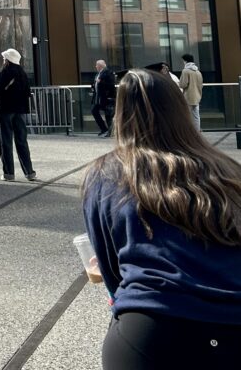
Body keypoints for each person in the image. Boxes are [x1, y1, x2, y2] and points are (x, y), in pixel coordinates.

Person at [82, 68, 241, 367]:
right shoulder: (227, 169)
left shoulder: (107, 174)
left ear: (121, 113)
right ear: (178, 108)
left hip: (151, 327)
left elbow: (110, 266)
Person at [0, 48, 36, 182]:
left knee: (5, 142)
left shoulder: (5, 72)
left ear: (8, 60)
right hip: (21, 111)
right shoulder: (22, 73)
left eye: (4, 58)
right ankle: (29, 172)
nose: (3, 60)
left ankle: (9, 174)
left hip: (7, 110)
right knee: (22, 141)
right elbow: (27, 92)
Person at [91, 59, 116, 138]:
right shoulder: (98, 74)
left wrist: (100, 82)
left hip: (107, 97)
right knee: (94, 111)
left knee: (108, 114)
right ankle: (104, 129)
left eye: (96, 65)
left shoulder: (108, 72)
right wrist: (93, 86)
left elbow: (111, 84)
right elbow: (96, 83)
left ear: (100, 65)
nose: (95, 66)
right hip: (99, 98)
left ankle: (110, 131)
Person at [178, 53, 204, 131]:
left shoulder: (185, 71)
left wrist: (180, 83)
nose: (183, 62)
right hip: (197, 97)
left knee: (186, 116)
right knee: (196, 116)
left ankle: (187, 132)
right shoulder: (198, 72)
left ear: (185, 61)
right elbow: (201, 85)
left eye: (183, 60)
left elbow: (183, 84)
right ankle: (197, 132)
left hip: (188, 97)